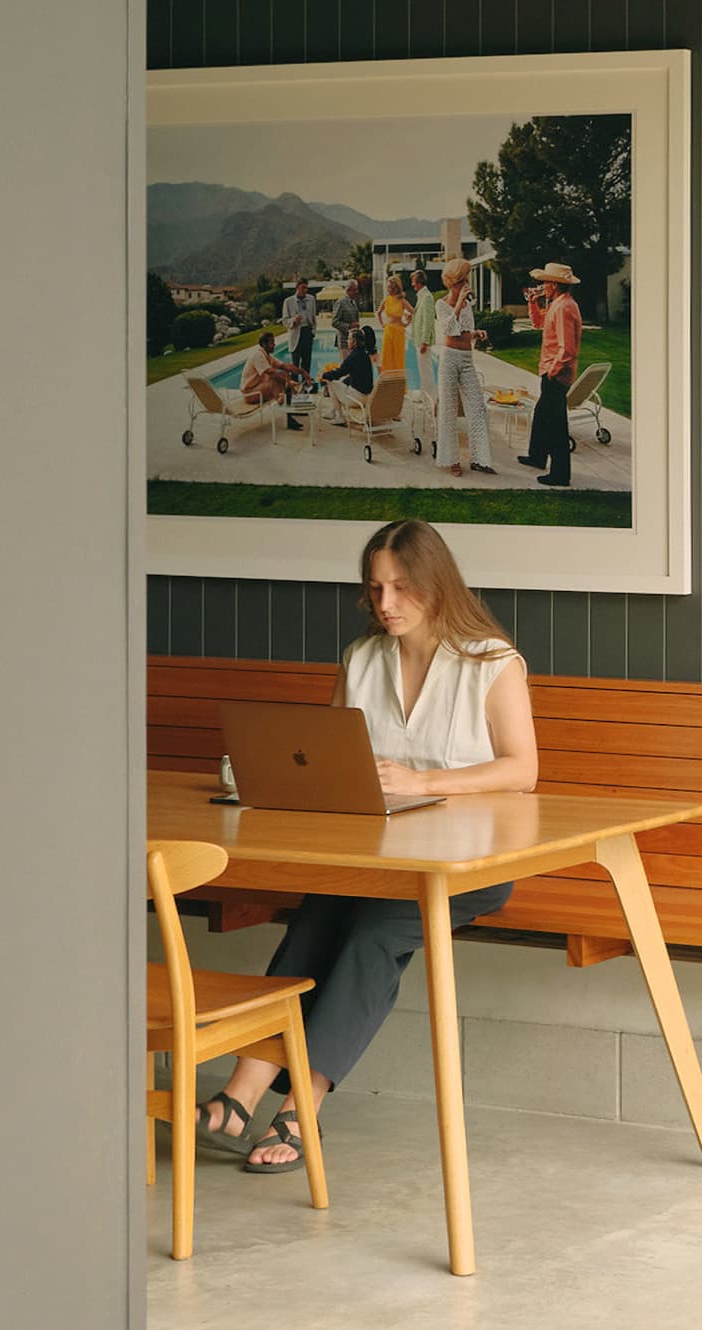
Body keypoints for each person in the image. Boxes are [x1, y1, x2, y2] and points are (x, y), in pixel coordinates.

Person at [194, 520, 538, 1172]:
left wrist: (423, 782)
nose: (386, 603)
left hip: (470, 861)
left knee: (373, 932)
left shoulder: (492, 663)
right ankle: (241, 1092)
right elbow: (328, 753)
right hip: (373, 855)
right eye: (376, 588)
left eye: (401, 587)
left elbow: (523, 770)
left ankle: (302, 1107)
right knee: (319, 915)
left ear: (437, 584)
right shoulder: (361, 659)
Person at [515, 262, 583, 486]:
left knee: (556, 425)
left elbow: (567, 348)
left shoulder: (564, 308)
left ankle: (560, 475)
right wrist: (532, 302)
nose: (542, 286)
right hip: (551, 370)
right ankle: (537, 457)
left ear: (554, 284)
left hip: (557, 373)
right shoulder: (557, 304)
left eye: (545, 282)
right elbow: (538, 323)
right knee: (542, 415)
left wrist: (553, 371)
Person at [433, 257, 495, 477]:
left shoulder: (468, 305)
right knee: (448, 411)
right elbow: (449, 329)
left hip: (467, 359)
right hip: (449, 359)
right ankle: (452, 461)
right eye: (464, 280)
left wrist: (476, 334)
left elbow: (464, 331)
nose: (467, 284)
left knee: (478, 409)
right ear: (454, 282)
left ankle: (480, 459)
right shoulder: (441, 305)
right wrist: (458, 302)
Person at [237, 330, 309, 429]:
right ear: (264, 344)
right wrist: (288, 381)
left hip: (258, 389)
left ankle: (290, 409)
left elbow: (285, 366)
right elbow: (271, 372)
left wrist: (303, 372)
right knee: (275, 379)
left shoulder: (267, 356)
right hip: (249, 393)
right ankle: (288, 415)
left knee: (282, 377)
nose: (274, 344)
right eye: (272, 342)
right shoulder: (258, 356)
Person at [319, 325, 377, 423]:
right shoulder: (365, 354)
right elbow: (355, 375)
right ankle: (333, 411)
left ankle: (340, 416)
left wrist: (323, 375)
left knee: (331, 382)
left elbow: (338, 373)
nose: (347, 341)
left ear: (354, 342)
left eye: (349, 339)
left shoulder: (353, 356)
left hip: (357, 399)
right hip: (367, 397)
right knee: (340, 382)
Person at [281, 281, 320, 389]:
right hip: (295, 333)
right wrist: (293, 320)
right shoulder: (288, 301)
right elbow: (284, 321)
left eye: (306, 288)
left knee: (307, 361)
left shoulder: (311, 299)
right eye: (303, 288)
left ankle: (305, 384)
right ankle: (295, 385)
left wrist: (313, 332)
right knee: (295, 362)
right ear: (297, 287)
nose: (305, 290)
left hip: (308, 332)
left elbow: (314, 317)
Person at [378, 275, 411, 375]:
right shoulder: (386, 300)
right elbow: (379, 312)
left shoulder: (402, 301)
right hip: (388, 330)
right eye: (388, 287)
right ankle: (387, 382)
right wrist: (382, 324)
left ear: (396, 288)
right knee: (386, 357)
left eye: (390, 287)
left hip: (399, 331)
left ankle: (399, 382)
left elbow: (413, 312)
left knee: (398, 358)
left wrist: (407, 323)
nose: (388, 289)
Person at [331, 279, 363, 357]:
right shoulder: (341, 302)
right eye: (354, 290)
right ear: (348, 290)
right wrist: (349, 326)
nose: (356, 292)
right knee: (346, 364)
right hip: (344, 342)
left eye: (357, 289)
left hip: (353, 342)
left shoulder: (353, 302)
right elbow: (334, 322)